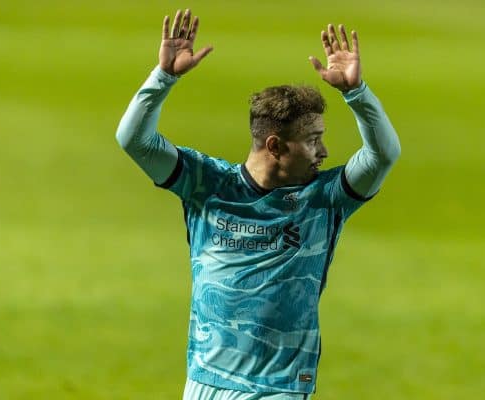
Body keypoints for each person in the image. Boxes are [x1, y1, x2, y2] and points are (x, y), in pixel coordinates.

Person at [116, 7, 401, 400]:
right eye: (312, 139)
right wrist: (162, 77)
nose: (324, 150)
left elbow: (383, 155)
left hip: (278, 387)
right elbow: (134, 140)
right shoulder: (207, 184)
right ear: (275, 146)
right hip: (205, 383)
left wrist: (356, 93)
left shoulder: (324, 198)